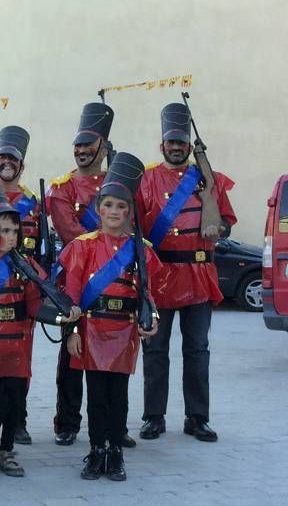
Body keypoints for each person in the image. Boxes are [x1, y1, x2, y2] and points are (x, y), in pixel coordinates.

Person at [0, 174, 77, 480]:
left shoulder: (26, 266)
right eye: (5, 230)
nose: (11, 235)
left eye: (14, 230)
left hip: (19, 346)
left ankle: (7, 451)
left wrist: (64, 318)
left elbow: (36, 306)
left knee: (16, 404)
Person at [136, 102, 236, 443]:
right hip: (161, 273)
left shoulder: (208, 179)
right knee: (155, 350)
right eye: (170, 141)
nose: (175, 147)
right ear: (161, 144)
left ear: (188, 145)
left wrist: (217, 230)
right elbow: (132, 224)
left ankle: (197, 418)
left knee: (197, 349)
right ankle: (153, 417)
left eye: (181, 142)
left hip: (198, 273)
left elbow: (226, 223)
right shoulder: (146, 180)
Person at [59, 153, 161, 482]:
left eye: (121, 206)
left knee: (119, 395)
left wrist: (153, 315)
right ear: (98, 209)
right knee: (96, 395)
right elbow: (73, 292)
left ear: (129, 212)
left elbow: (147, 292)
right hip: (91, 328)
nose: (114, 212)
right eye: (108, 206)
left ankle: (115, 451)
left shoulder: (141, 249)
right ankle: (96, 450)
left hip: (124, 330)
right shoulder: (81, 247)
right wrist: (72, 331)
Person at [47, 101, 114, 446]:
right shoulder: (61, 188)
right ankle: (67, 422)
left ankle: (110, 424)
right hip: (75, 279)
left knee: (111, 353)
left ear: (103, 147)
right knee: (71, 356)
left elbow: (130, 226)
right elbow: (70, 233)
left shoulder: (118, 183)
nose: (82, 150)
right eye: (78, 145)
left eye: (89, 144)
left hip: (114, 283)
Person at [0, 125, 40, 445]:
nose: (8, 162)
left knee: (22, 356)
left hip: (23, 286)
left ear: (22, 165)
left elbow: (40, 248)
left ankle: (18, 420)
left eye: (14, 158)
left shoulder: (34, 203)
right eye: (3, 156)